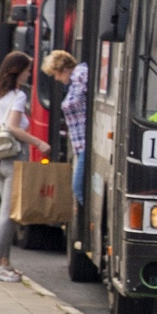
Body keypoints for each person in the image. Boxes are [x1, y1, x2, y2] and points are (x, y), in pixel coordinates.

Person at [0, 50, 48, 282]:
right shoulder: (18, 96)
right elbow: (13, 128)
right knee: (8, 214)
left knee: (7, 210)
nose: (29, 74)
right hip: (14, 157)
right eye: (28, 70)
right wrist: (39, 142)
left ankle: (5, 263)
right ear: (17, 71)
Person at [49, 49, 88, 207]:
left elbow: (79, 100)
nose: (57, 79)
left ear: (63, 69)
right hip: (79, 142)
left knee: (78, 187)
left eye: (56, 74)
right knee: (78, 187)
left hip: (84, 140)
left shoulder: (80, 75)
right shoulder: (73, 81)